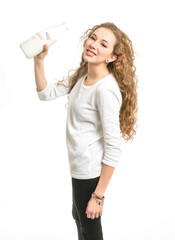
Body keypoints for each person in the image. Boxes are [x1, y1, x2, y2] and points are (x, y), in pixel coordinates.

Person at [34, 22, 138, 240]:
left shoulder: (105, 90)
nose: (93, 44)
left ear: (112, 57)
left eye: (103, 44)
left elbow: (113, 147)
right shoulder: (82, 76)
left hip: (90, 173)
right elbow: (45, 93)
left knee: (89, 230)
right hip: (78, 167)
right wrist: (39, 61)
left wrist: (98, 196)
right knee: (79, 219)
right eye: (93, 37)